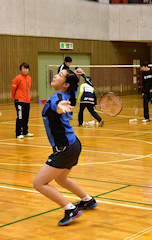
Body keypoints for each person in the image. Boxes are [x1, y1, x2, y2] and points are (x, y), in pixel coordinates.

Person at [33, 68, 97, 226]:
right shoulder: (67, 94)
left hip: (65, 148)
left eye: (60, 75)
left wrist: (61, 107)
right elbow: (62, 102)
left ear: (66, 84)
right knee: (61, 179)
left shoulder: (60, 98)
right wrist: (77, 74)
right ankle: (87, 200)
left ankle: (70, 209)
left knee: (39, 183)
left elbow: (59, 105)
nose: (55, 76)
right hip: (73, 145)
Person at [11, 63, 33, 139]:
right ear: (21, 69)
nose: (25, 70)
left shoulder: (29, 78)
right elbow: (13, 89)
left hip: (27, 101)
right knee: (20, 117)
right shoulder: (17, 78)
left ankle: (25, 131)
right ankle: (18, 133)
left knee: (26, 117)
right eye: (24, 68)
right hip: (19, 100)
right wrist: (15, 97)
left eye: (27, 68)